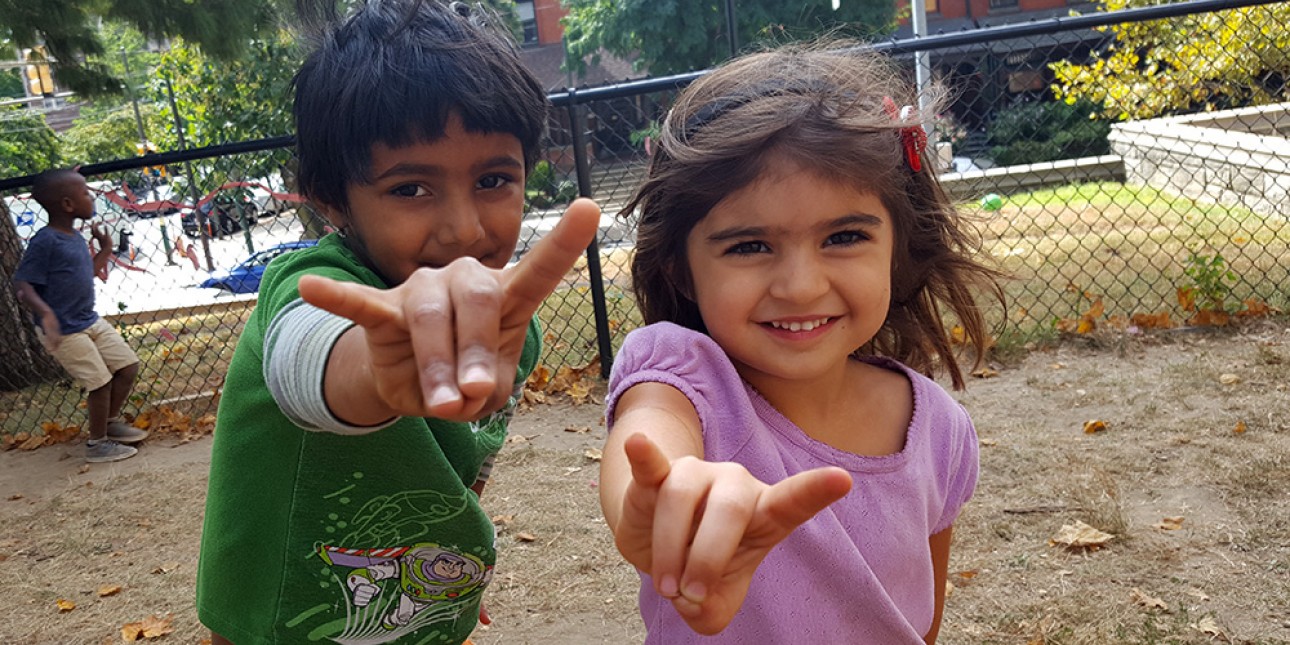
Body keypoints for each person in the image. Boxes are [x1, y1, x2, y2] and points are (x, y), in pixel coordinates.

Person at [194, 1, 600, 644]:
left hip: (413, 604)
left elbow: (467, 463)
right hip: (282, 620)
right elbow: (312, 362)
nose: (464, 228)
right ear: (333, 199)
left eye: (494, 178)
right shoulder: (315, 292)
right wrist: (386, 368)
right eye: (411, 188)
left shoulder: (509, 326)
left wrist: (444, 560)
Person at [599, 44, 1005, 643]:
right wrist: (665, 496)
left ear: (898, 247)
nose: (800, 286)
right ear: (682, 270)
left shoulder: (940, 429)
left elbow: (919, 620)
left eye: (843, 236)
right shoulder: (681, 376)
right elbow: (650, 438)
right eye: (749, 246)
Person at [12, 169, 150, 463]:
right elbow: (23, 285)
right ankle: (97, 443)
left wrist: (107, 248)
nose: (92, 197)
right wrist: (46, 312)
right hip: (63, 330)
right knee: (99, 382)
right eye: (86, 193)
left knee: (127, 366)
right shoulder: (45, 241)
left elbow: (89, 272)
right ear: (67, 205)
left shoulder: (73, 236)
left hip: (88, 320)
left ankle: (109, 422)